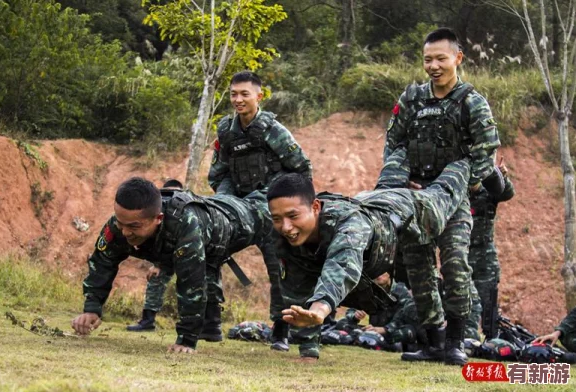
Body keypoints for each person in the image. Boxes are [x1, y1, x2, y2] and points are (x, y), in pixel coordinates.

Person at [267, 155, 471, 362]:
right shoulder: (285, 237)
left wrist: (320, 309)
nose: (285, 227)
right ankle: (436, 346)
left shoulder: (350, 225)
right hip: (376, 205)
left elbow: (342, 265)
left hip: (412, 209)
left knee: (447, 187)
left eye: (293, 216)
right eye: (277, 218)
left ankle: (474, 162)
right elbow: (298, 287)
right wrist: (308, 350)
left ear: (316, 207)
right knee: (422, 277)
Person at [380, 27, 501, 365]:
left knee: (455, 266)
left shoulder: (471, 101)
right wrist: (401, 181)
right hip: (415, 199)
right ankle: (433, 342)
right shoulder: (412, 99)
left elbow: (486, 149)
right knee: (418, 271)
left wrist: (470, 182)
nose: (433, 66)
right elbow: (394, 143)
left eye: (440, 59)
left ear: (457, 59)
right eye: (427, 60)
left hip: (454, 202)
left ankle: (455, 343)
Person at [71, 177, 276, 354]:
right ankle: (211, 329)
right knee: (208, 266)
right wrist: (92, 308)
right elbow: (102, 262)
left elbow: (191, 283)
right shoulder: (119, 225)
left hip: (238, 220)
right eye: (120, 223)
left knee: (266, 204)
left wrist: (187, 339)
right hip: (209, 227)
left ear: (158, 219)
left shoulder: (185, 223)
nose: (125, 232)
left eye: (134, 226)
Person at [208, 70, 313, 351]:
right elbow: (218, 174)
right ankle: (210, 322)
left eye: (244, 94)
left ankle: (281, 331)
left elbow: (302, 169)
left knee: (280, 272)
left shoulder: (272, 130)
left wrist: (285, 207)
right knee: (209, 251)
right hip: (238, 209)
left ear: (259, 96)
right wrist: (226, 203)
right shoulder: (226, 131)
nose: (238, 99)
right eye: (233, 94)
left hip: (271, 212)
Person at [466, 158, 515, 339]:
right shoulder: (459, 194)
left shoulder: (488, 194)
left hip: (485, 254)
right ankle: (467, 336)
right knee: (465, 298)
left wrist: (502, 176)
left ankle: (491, 338)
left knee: (489, 300)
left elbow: (507, 193)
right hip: (462, 253)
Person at [126, 179, 183, 333]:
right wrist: (157, 264)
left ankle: (203, 324)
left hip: (189, 254)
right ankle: (147, 321)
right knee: (155, 280)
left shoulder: (185, 209)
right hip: (167, 258)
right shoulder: (156, 211)